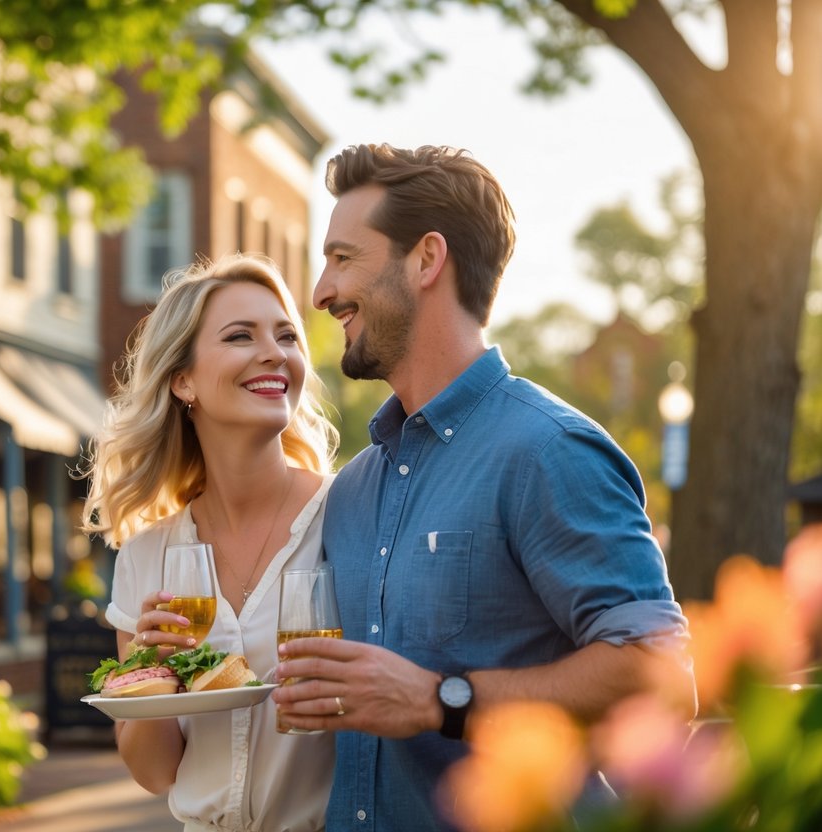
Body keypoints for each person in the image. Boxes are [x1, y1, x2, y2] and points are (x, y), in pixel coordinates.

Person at [271, 144, 697, 831]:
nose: (320, 291)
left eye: (343, 258)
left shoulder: (548, 452)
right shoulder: (349, 491)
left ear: (426, 260)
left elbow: (660, 678)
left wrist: (444, 701)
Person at [80, 253, 340, 832]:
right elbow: (155, 773)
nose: (275, 352)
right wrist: (151, 678)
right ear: (183, 380)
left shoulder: (349, 516)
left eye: (287, 336)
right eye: (240, 336)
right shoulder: (147, 555)